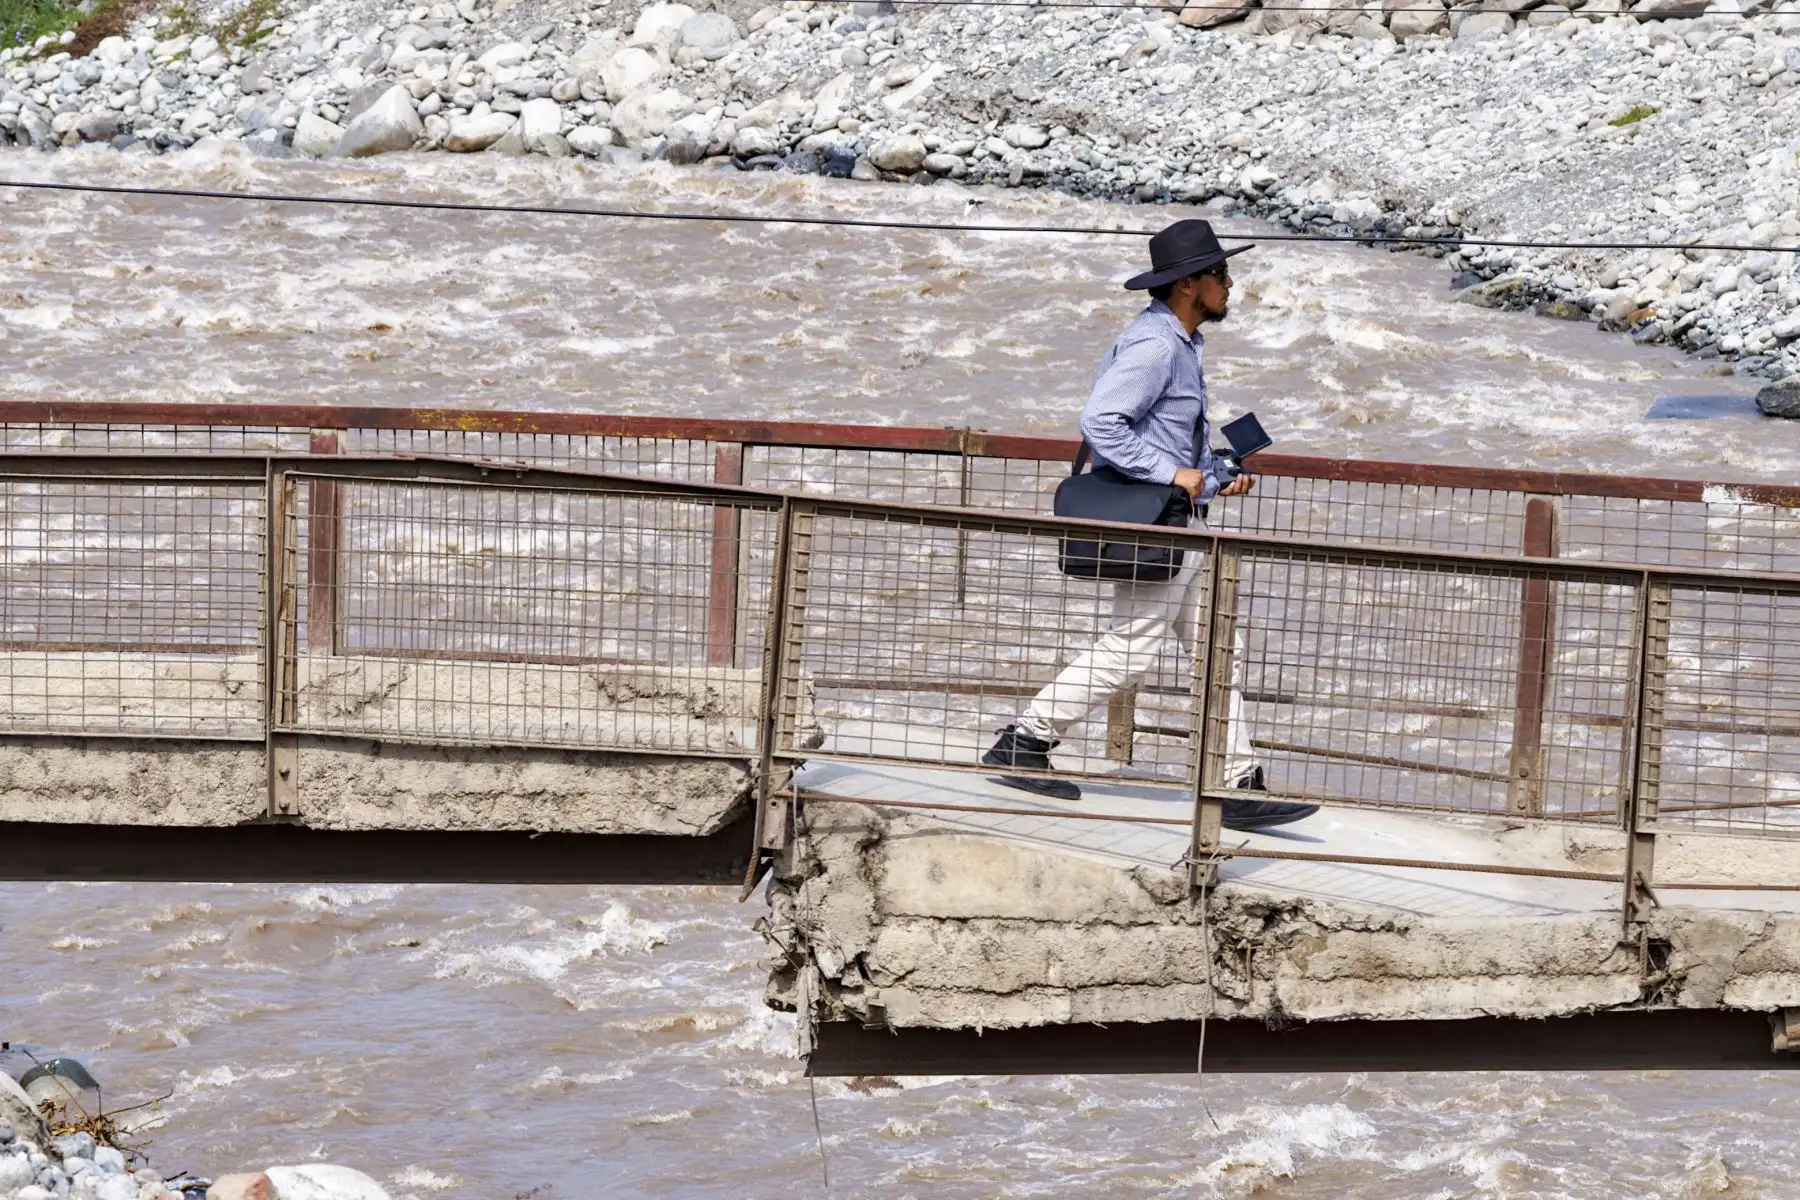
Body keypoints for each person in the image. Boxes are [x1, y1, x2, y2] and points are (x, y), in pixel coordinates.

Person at [981, 218, 1317, 832]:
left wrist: (1214, 475)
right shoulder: (1157, 346)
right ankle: (1024, 740)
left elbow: (1168, 447)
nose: (1229, 283)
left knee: (1217, 648)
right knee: (1130, 648)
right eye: (1219, 273)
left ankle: (1237, 780)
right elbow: (1102, 422)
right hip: (1159, 527)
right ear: (1189, 285)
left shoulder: (1179, 344)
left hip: (1179, 520)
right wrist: (1174, 473)